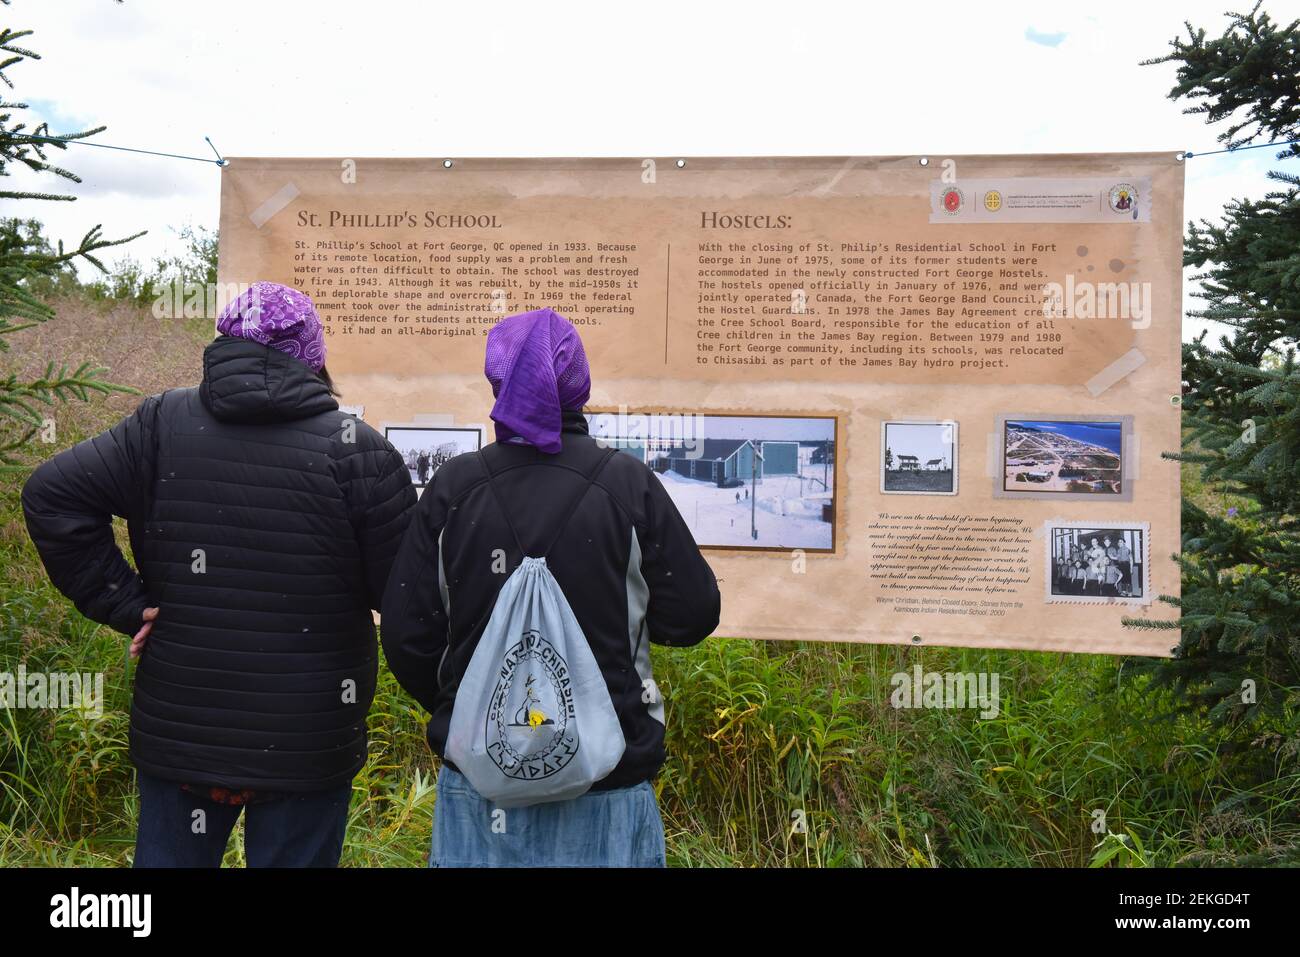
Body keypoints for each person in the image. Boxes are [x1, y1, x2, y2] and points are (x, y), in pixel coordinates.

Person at [22, 282, 416, 867]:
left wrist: (125, 602)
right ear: (312, 351)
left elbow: (51, 495)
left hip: (184, 730)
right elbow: (403, 596)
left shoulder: (160, 424)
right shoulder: (357, 451)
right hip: (307, 741)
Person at [381, 306, 720, 868]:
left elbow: (407, 635)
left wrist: (476, 705)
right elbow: (694, 614)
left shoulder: (454, 489)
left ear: (499, 381)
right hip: (607, 778)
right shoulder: (625, 483)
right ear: (578, 385)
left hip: (481, 788)